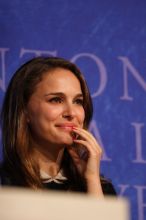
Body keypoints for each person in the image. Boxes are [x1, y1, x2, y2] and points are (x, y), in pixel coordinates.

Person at [0, 56, 116, 196]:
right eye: (56, 100)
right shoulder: (4, 184)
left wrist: (92, 181)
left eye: (78, 101)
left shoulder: (100, 189)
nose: (71, 113)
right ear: (24, 110)